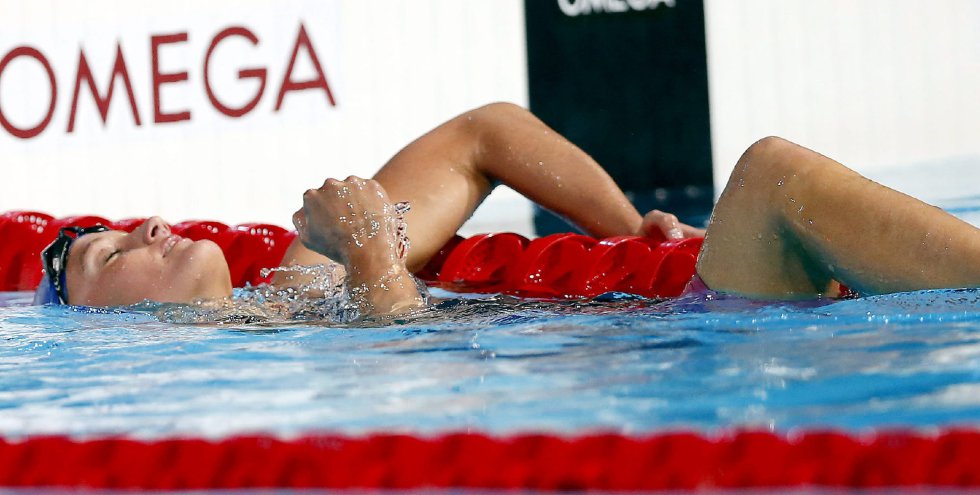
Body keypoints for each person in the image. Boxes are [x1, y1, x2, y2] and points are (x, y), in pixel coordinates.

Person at [34, 103, 980, 315]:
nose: (148, 226)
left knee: (770, 179)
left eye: (129, 223)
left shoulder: (297, 276)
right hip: (709, 345)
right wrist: (371, 252)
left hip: (693, 314)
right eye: (108, 256)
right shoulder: (247, 410)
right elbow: (400, 375)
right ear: (118, 332)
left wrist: (627, 228)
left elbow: (486, 133)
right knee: (771, 174)